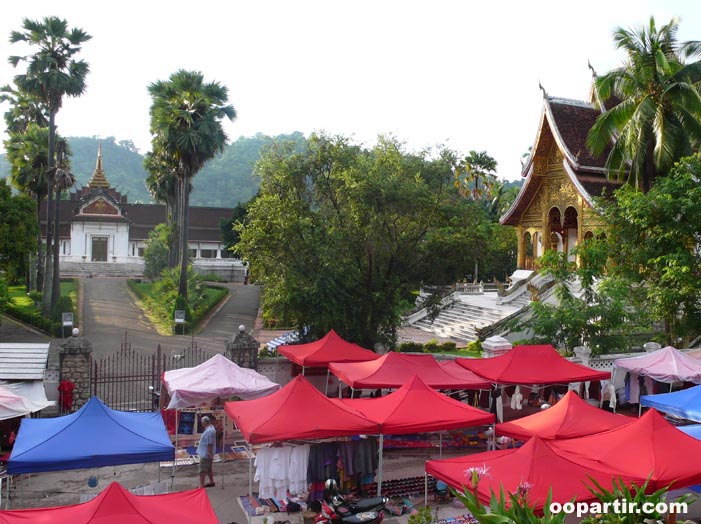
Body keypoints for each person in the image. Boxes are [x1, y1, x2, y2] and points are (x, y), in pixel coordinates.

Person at [197, 416, 216, 488]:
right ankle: (211, 481)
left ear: (204, 423)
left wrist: (209, 452)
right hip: (207, 452)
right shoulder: (211, 429)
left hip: (205, 453)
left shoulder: (209, 431)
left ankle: (201, 485)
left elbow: (209, 443)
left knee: (202, 469)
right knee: (209, 468)